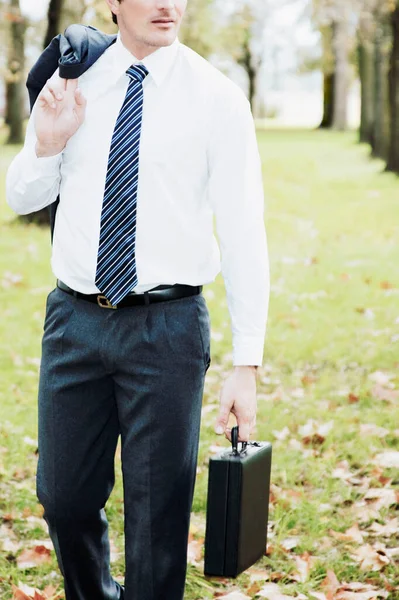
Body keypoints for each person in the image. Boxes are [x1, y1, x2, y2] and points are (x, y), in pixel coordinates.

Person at [6, 0, 270, 598]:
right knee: (64, 498)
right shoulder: (69, 80)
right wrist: (48, 143)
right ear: (113, 4)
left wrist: (245, 364)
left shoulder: (217, 98)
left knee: (158, 516)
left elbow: (243, 230)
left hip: (168, 329)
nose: (166, 4)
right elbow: (21, 197)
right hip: (73, 322)